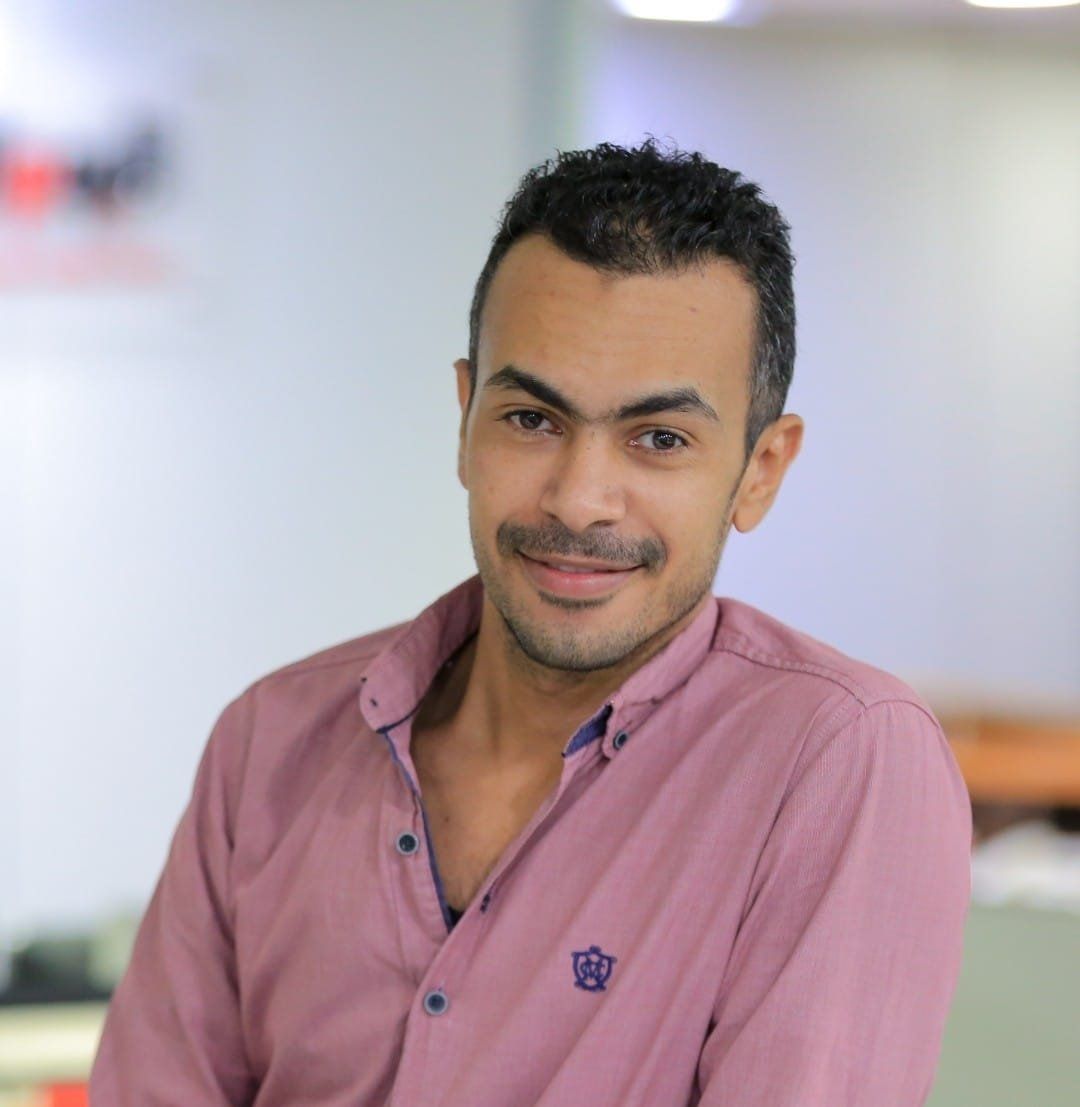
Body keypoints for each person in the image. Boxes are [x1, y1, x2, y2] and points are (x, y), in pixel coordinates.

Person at [90, 140, 972, 1106]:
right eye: (532, 420)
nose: (580, 499)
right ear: (466, 419)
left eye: (659, 438)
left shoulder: (838, 761)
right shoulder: (271, 741)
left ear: (760, 470)